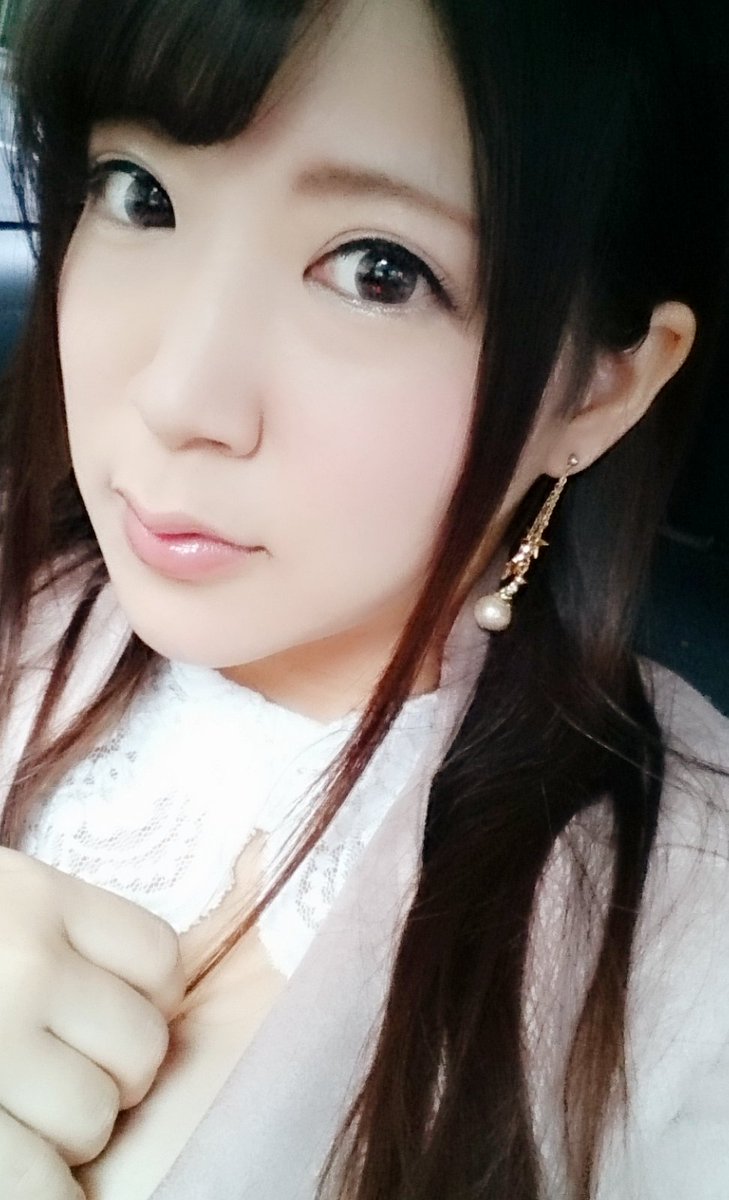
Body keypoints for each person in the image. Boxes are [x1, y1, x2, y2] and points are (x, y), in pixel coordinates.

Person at [0, 0, 727, 1196]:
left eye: (378, 272)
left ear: (600, 392)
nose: (180, 398)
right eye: (139, 194)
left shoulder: (689, 947)